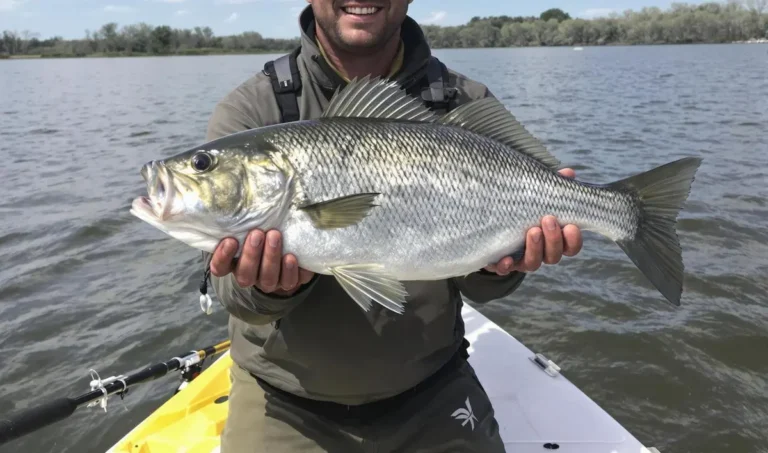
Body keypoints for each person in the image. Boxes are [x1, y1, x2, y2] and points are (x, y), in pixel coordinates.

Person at [204, 1, 583, 452]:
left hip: (432, 391)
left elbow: (483, 289)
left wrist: (501, 266)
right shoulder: (252, 110)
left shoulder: (465, 103)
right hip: (286, 403)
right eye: (202, 167)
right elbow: (230, 294)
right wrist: (270, 289)